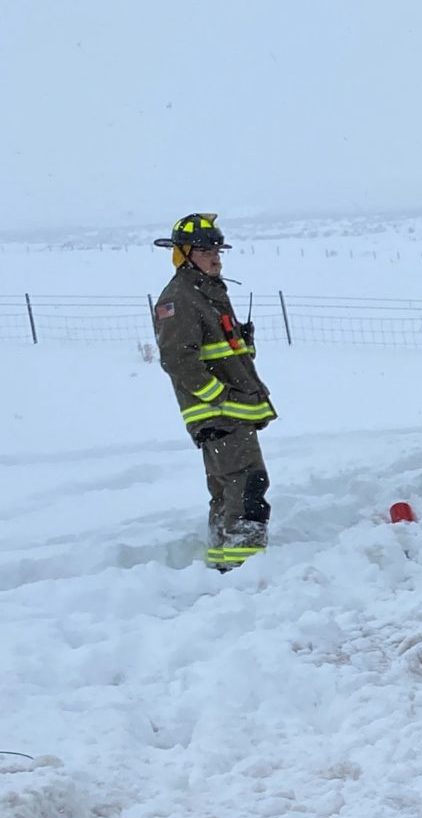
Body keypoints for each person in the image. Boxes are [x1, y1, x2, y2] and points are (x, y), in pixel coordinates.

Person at [151, 213, 276, 571]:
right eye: (206, 251)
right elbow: (179, 360)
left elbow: (220, 353)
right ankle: (244, 567)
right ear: (184, 254)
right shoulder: (179, 299)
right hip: (219, 413)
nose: (215, 258)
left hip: (230, 411)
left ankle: (223, 563)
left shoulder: (208, 291)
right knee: (247, 487)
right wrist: (221, 397)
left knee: (227, 491)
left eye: (217, 250)